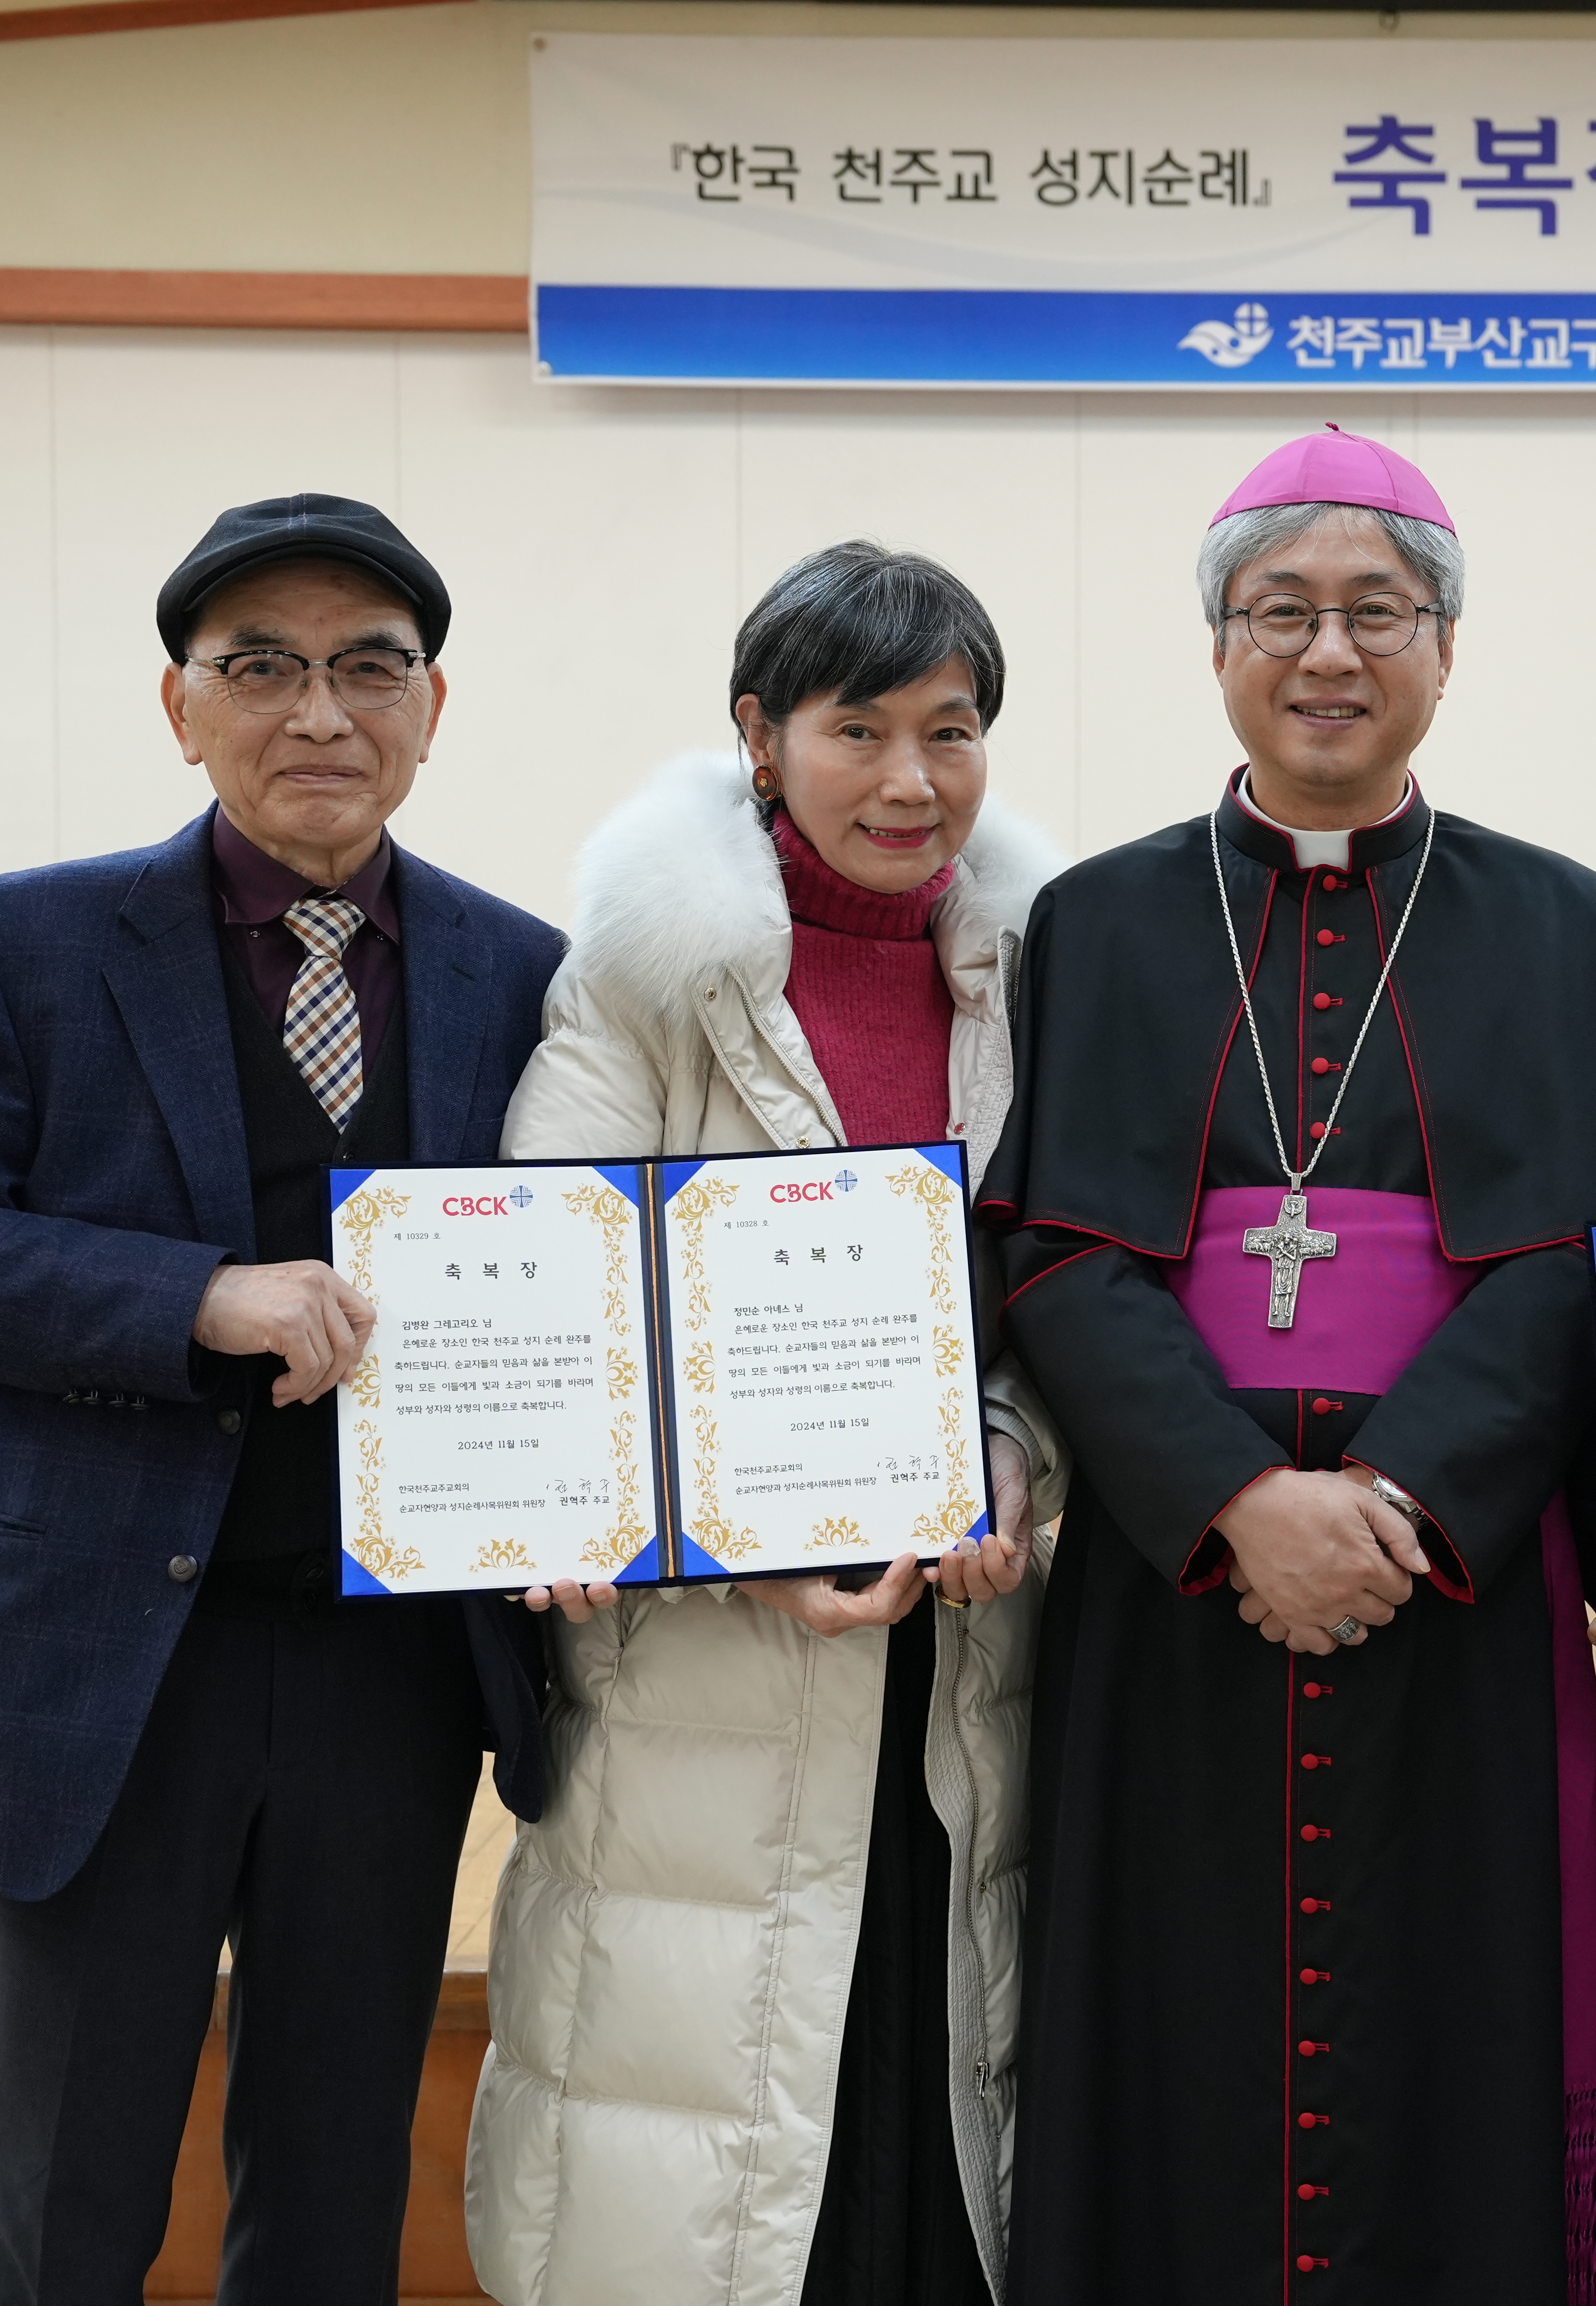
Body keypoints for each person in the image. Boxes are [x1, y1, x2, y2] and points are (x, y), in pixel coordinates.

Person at [0, 494, 564, 2303]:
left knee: (330, 2192)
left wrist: (589, 1488)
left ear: (434, 704)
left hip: (395, 1672)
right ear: (181, 704)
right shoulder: (21, 948)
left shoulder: (522, 971)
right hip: (102, 1663)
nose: (321, 714)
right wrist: (196, 1299)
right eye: (265, 669)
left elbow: (572, 1291)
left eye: (368, 669)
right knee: (68, 2199)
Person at [976, 427, 1596, 2306]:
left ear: (1448, 649)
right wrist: (1233, 1503)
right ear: (1218, 647)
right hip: (1171, 1578)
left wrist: (1386, 1501)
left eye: (1380, 610)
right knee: (1170, 2017)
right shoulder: (1100, 920)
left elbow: (1587, 1261)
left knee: (1449, 2011)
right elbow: (1056, 1252)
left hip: (1442, 1579)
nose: (1330, 652)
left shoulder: (1565, 921)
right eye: (1279, 610)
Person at [462, 542, 1068, 2306]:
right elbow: (560, 1309)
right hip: (705, 1692)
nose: (908, 780)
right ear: (758, 735)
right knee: (707, 2172)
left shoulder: (1041, 984)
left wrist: (1015, 1460)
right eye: (855, 728)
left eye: (949, 732)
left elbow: (1068, 1300)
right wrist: (747, 1551)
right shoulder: (645, 980)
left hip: (965, 1658)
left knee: (938, 2125)